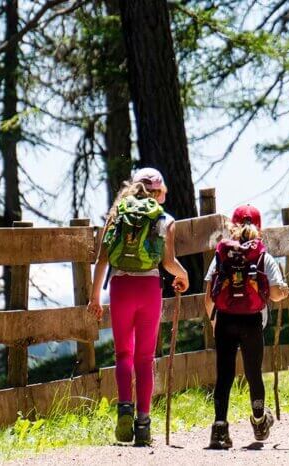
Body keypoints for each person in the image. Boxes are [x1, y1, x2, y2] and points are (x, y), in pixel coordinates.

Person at [87, 168, 189, 446]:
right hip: (148, 290)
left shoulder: (117, 215)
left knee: (123, 355)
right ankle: (143, 423)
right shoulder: (164, 219)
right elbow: (168, 262)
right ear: (158, 191)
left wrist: (95, 297)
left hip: (120, 288)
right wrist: (183, 276)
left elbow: (102, 260)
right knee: (145, 359)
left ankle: (124, 409)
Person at [204, 205, 289, 449]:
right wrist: (283, 292)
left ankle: (219, 429)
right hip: (252, 321)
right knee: (253, 374)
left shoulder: (221, 255)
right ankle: (260, 422)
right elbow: (274, 294)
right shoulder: (263, 256)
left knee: (225, 375)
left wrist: (213, 321)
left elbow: (209, 296)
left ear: (232, 226)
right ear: (259, 228)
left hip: (225, 319)